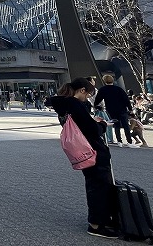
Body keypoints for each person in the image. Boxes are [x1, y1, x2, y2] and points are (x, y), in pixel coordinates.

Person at [47, 78, 118, 239]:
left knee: (94, 184)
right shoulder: (74, 104)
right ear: (81, 90)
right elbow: (91, 129)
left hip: (81, 150)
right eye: (88, 94)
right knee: (99, 185)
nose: (88, 98)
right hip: (92, 149)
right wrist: (102, 125)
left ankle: (100, 219)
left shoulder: (62, 105)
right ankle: (96, 224)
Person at [94, 74, 136, 147]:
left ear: (104, 81)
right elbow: (126, 99)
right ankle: (129, 141)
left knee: (116, 125)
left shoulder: (103, 90)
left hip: (111, 109)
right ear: (112, 80)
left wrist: (97, 106)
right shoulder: (119, 89)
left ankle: (119, 141)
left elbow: (97, 100)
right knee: (126, 125)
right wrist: (130, 109)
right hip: (122, 109)